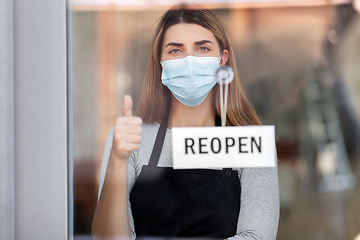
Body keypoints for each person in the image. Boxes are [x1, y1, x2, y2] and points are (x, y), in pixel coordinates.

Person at [92, 5, 279, 240]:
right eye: (175, 50)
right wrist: (118, 161)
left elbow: (257, 237)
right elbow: (109, 238)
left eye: (202, 48)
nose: (190, 61)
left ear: (222, 60)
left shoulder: (249, 142)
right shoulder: (130, 138)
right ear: (160, 61)